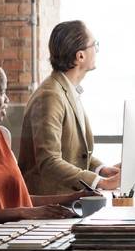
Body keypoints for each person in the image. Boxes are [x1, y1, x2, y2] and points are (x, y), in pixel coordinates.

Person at [19, 21, 122, 195]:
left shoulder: (67, 90)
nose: (96, 50)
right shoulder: (50, 96)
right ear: (80, 56)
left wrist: (101, 170)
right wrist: (101, 183)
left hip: (68, 198)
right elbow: (49, 161)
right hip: (50, 203)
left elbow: (73, 153)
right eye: (94, 45)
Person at [0, 65, 85, 222]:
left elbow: (21, 200)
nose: (7, 99)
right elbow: (22, 210)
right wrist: (25, 213)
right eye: (2, 92)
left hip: (20, 234)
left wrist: (73, 197)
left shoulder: (3, 136)